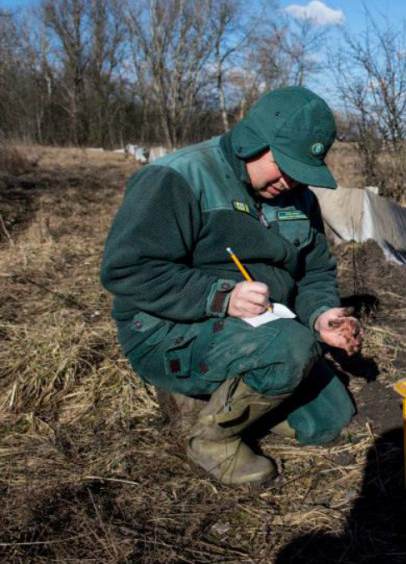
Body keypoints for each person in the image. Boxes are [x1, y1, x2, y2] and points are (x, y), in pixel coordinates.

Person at [100, 86, 361, 486]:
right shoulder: (177, 178)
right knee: (290, 350)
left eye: (299, 171)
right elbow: (128, 270)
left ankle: (232, 392)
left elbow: (315, 271)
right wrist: (220, 296)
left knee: (328, 418)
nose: (289, 181)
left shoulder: (299, 197)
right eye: (282, 164)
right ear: (251, 140)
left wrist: (321, 314)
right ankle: (209, 439)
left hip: (268, 331)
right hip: (165, 330)